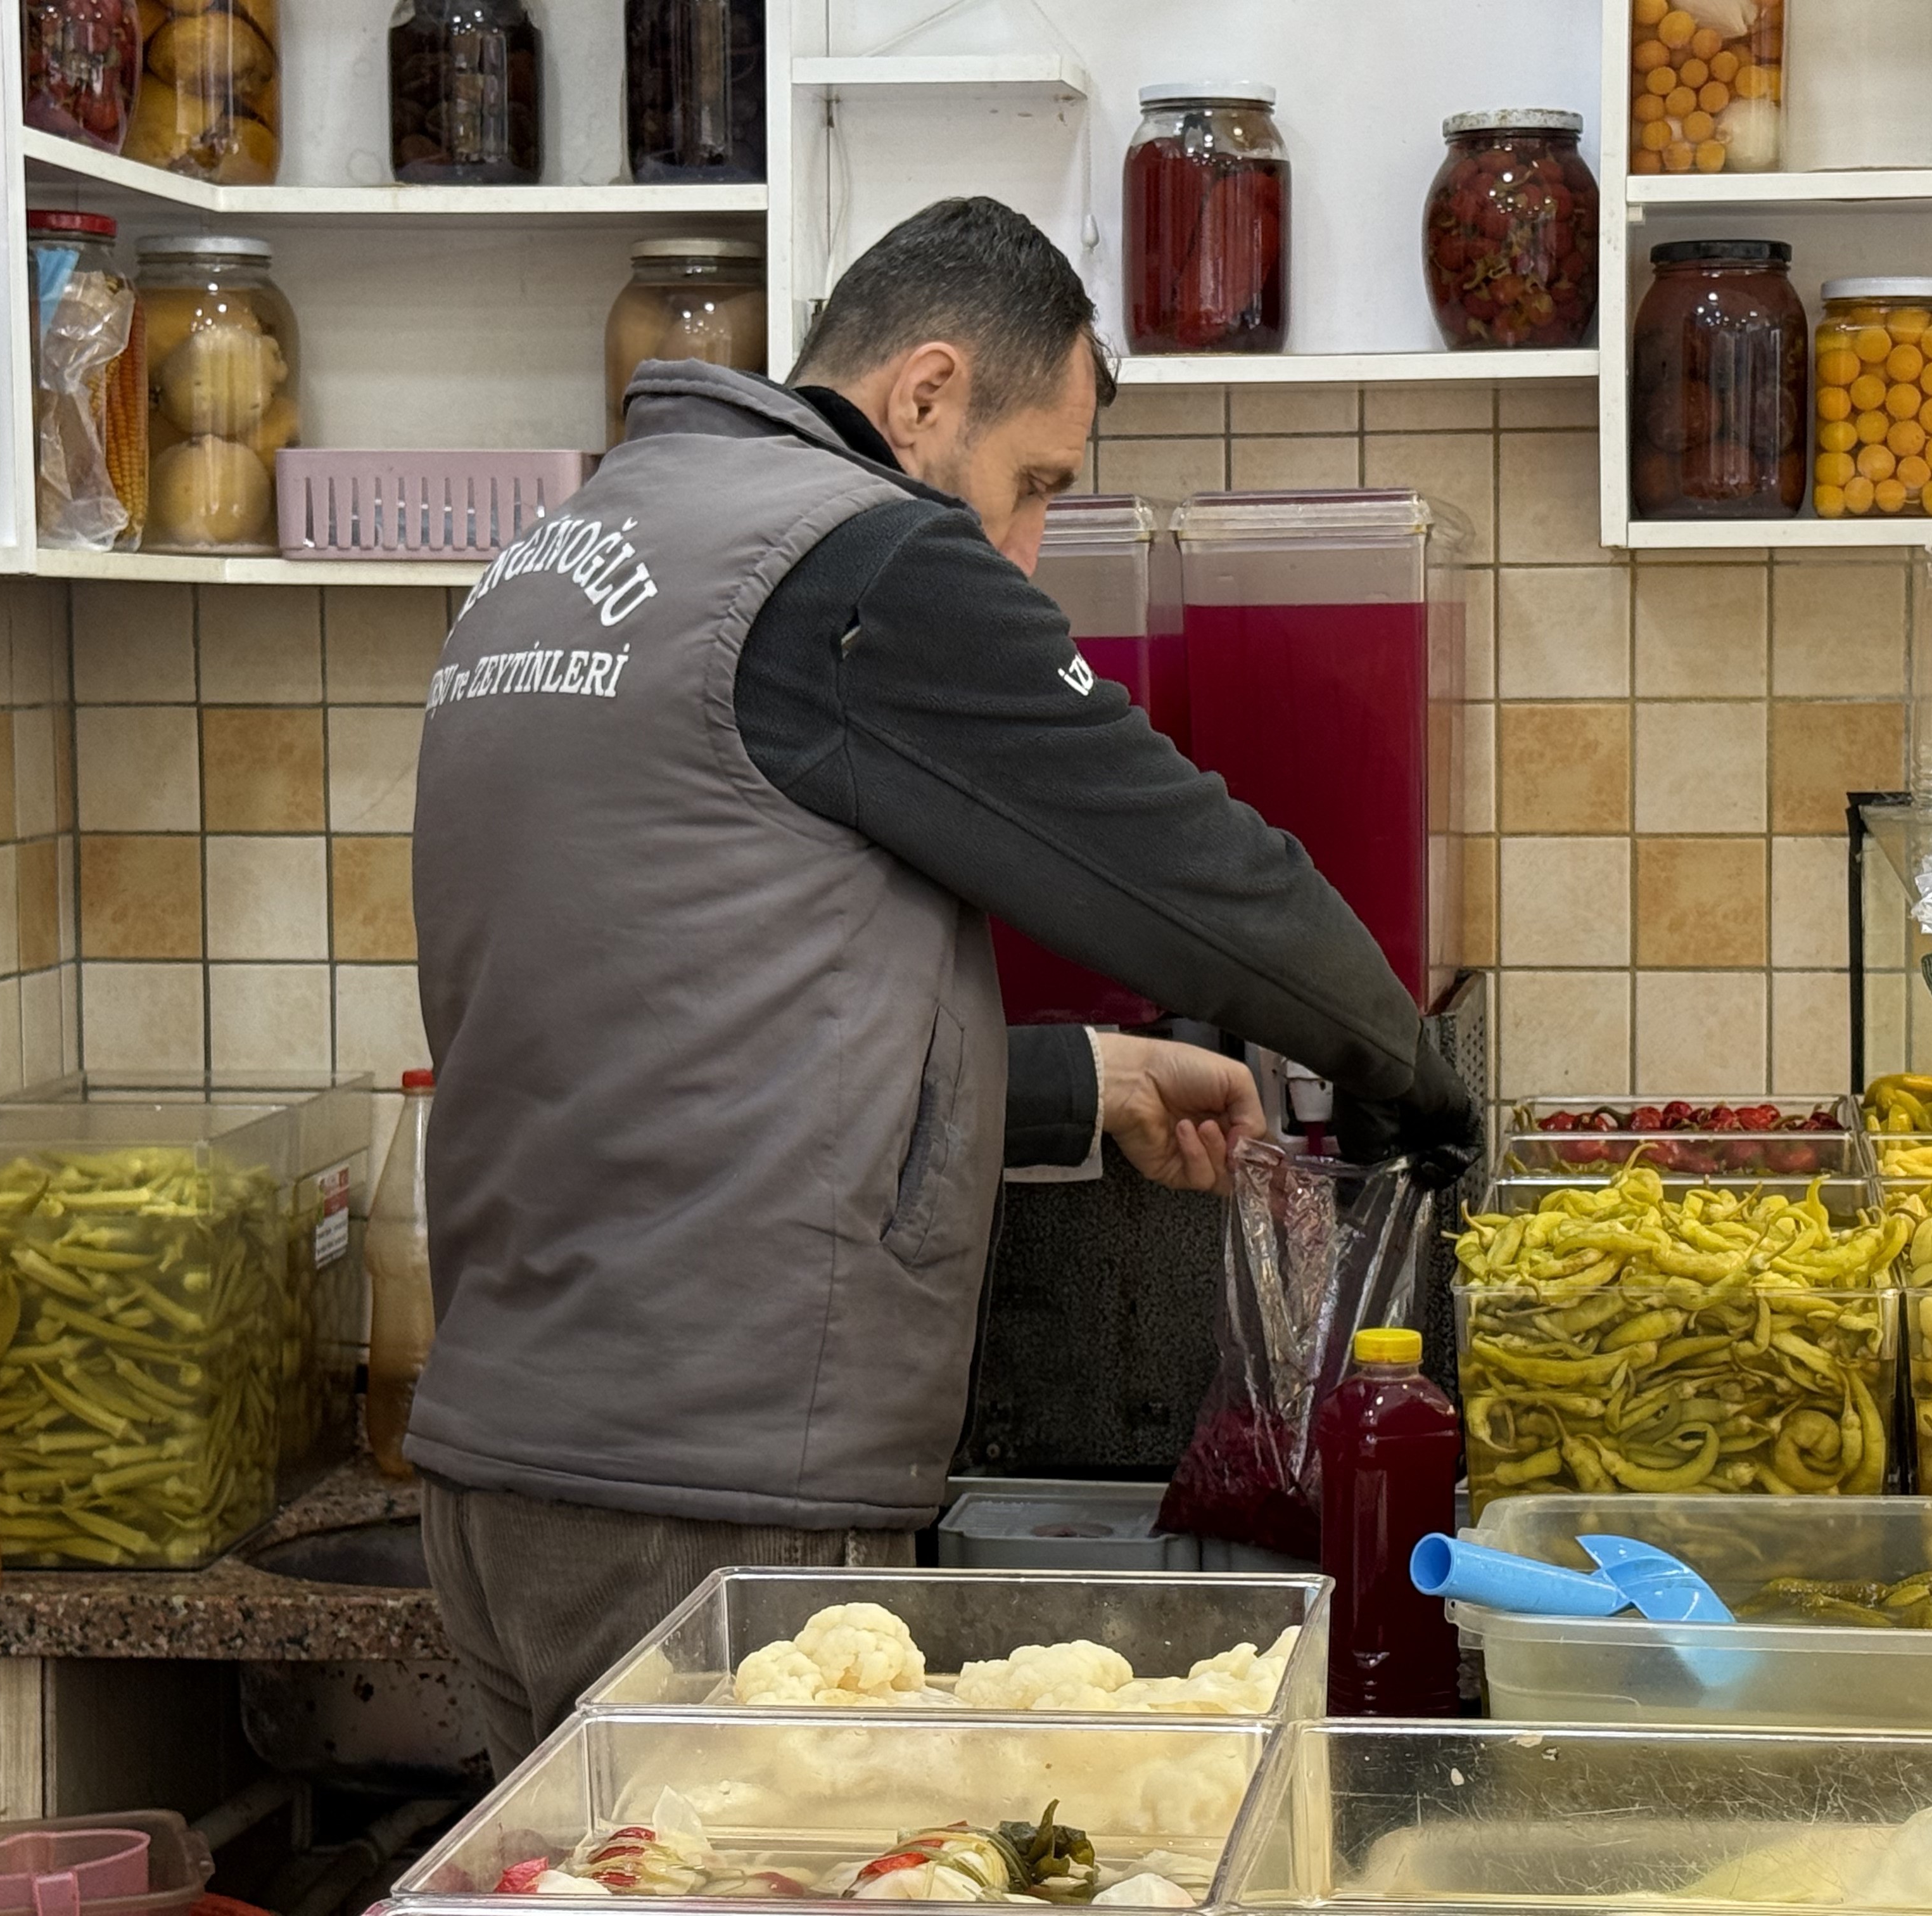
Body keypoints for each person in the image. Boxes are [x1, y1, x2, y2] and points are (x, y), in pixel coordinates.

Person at [408, 195, 1479, 1766]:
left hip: (500, 1481)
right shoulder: (857, 560)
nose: (1035, 555)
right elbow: (1185, 869)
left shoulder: (562, 557)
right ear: (922, 397)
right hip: (712, 1508)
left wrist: (1078, 1085)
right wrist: (1414, 1072)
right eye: (1034, 483)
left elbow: (674, 1031)